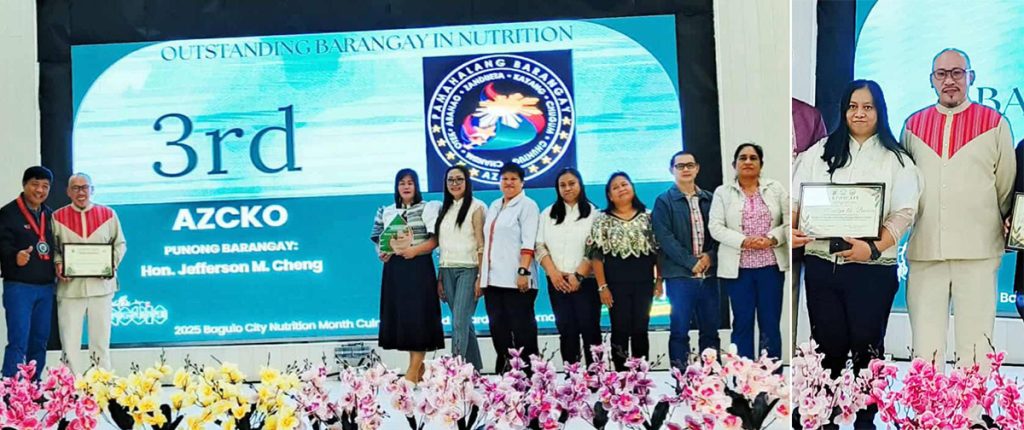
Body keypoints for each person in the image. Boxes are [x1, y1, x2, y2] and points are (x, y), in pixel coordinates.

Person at [793, 80, 920, 428]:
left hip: (872, 269)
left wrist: (873, 247)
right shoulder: (819, 152)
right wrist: (793, 228)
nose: (859, 113)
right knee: (827, 348)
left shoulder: (898, 160)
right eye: (853, 106)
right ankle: (823, 417)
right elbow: (795, 200)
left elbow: (904, 213)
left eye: (867, 107)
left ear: (880, 111)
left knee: (868, 348)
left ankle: (866, 419)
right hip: (824, 266)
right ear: (843, 110)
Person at [902, 49, 1014, 369]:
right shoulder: (913, 126)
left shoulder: (995, 123)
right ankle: (927, 404)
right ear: (931, 80)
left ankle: (972, 404)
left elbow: (1004, 186)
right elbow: (907, 186)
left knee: (977, 348)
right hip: (925, 251)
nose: (949, 81)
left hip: (979, 251)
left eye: (957, 73)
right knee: (925, 350)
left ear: (970, 77)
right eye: (941, 74)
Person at [709, 143, 788, 360]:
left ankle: (770, 375)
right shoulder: (723, 193)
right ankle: (743, 375)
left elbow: (789, 221)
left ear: (761, 164)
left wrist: (772, 238)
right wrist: (744, 241)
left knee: (770, 323)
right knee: (742, 323)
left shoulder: (775, 188)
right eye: (742, 158)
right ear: (734, 164)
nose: (748, 162)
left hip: (770, 268)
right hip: (739, 270)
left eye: (753, 158)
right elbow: (715, 227)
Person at [370, 168, 444, 383]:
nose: (406, 186)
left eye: (410, 182)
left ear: (416, 186)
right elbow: (379, 239)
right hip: (395, 270)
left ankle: (411, 374)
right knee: (405, 319)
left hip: (419, 267)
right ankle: (418, 369)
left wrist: (414, 251)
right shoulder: (386, 210)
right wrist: (382, 253)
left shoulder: (428, 208)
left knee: (419, 317)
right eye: (402, 183)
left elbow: (435, 240)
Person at [652, 151, 720, 369]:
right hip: (680, 277)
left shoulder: (711, 199)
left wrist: (710, 256)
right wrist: (691, 262)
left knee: (710, 332)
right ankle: (681, 379)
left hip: (709, 276)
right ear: (671, 170)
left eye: (690, 165)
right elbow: (665, 238)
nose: (686, 169)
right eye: (680, 166)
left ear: (697, 168)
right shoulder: (664, 201)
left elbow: (720, 233)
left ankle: (711, 378)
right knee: (680, 332)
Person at [52, 173, 126, 372]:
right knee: (69, 344)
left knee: (100, 342)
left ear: (92, 190)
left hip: (101, 288)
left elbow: (120, 244)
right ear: (68, 192)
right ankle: (70, 385)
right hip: (70, 290)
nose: (81, 192)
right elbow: (54, 248)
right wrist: (58, 263)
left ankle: (101, 383)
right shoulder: (57, 217)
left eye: (85, 187)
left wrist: (111, 263)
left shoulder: (108, 214)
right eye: (75, 188)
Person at [589, 172, 661, 371]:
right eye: (615, 187)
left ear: (632, 188)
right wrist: (602, 286)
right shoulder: (602, 220)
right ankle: (620, 378)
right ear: (610, 196)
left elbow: (658, 252)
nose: (621, 189)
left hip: (644, 283)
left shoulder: (649, 216)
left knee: (640, 329)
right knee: (620, 329)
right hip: (615, 284)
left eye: (624, 184)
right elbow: (596, 255)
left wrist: (659, 280)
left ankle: (640, 377)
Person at [535, 168, 600, 365]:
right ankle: (572, 378)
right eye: (562, 185)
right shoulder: (548, 214)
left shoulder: (594, 213)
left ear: (580, 185)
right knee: (566, 330)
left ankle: (596, 377)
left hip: (586, 282)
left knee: (590, 330)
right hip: (558, 282)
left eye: (572, 183)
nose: (567, 188)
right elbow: (539, 246)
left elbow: (596, 249)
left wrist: (578, 276)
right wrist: (553, 273)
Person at [480, 162, 540, 373]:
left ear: (522, 182)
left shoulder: (528, 206)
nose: (509, 183)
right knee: (499, 331)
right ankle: (506, 377)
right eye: (505, 179)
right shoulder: (495, 205)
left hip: (517, 281)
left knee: (523, 333)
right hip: (493, 281)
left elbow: (529, 241)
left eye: (514, 179)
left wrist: (523, 271)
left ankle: (531, 377)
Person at [0, 166, 57, 378]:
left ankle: (34, 386)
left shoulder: (50, 215)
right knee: (18, 341)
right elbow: (2, 245)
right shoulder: (7, 213)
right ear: (24, 184)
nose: (39, 190)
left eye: (45, 186)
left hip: (46, 287)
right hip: (19, 287)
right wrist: (14, 256)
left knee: (39, 341)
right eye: (35, 184)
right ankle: (11, 388)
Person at [434, 165, 486, 371]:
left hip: (469, 269)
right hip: (447, 270)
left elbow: (481, 244)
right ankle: (474, 371)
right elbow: (442, 246)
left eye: (459, 179)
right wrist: (439, 278)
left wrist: (481, 276)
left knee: (458, 322)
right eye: (450, 180)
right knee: (464, 323)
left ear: (467, 182)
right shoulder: (443, 209)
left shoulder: (477, 207)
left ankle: (454, 372)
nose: (454, 183)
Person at [791, 98, 829, 349]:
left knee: (799, 297)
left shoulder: (807, 115)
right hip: (760, 223)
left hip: (804, 225)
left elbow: (824, 168)